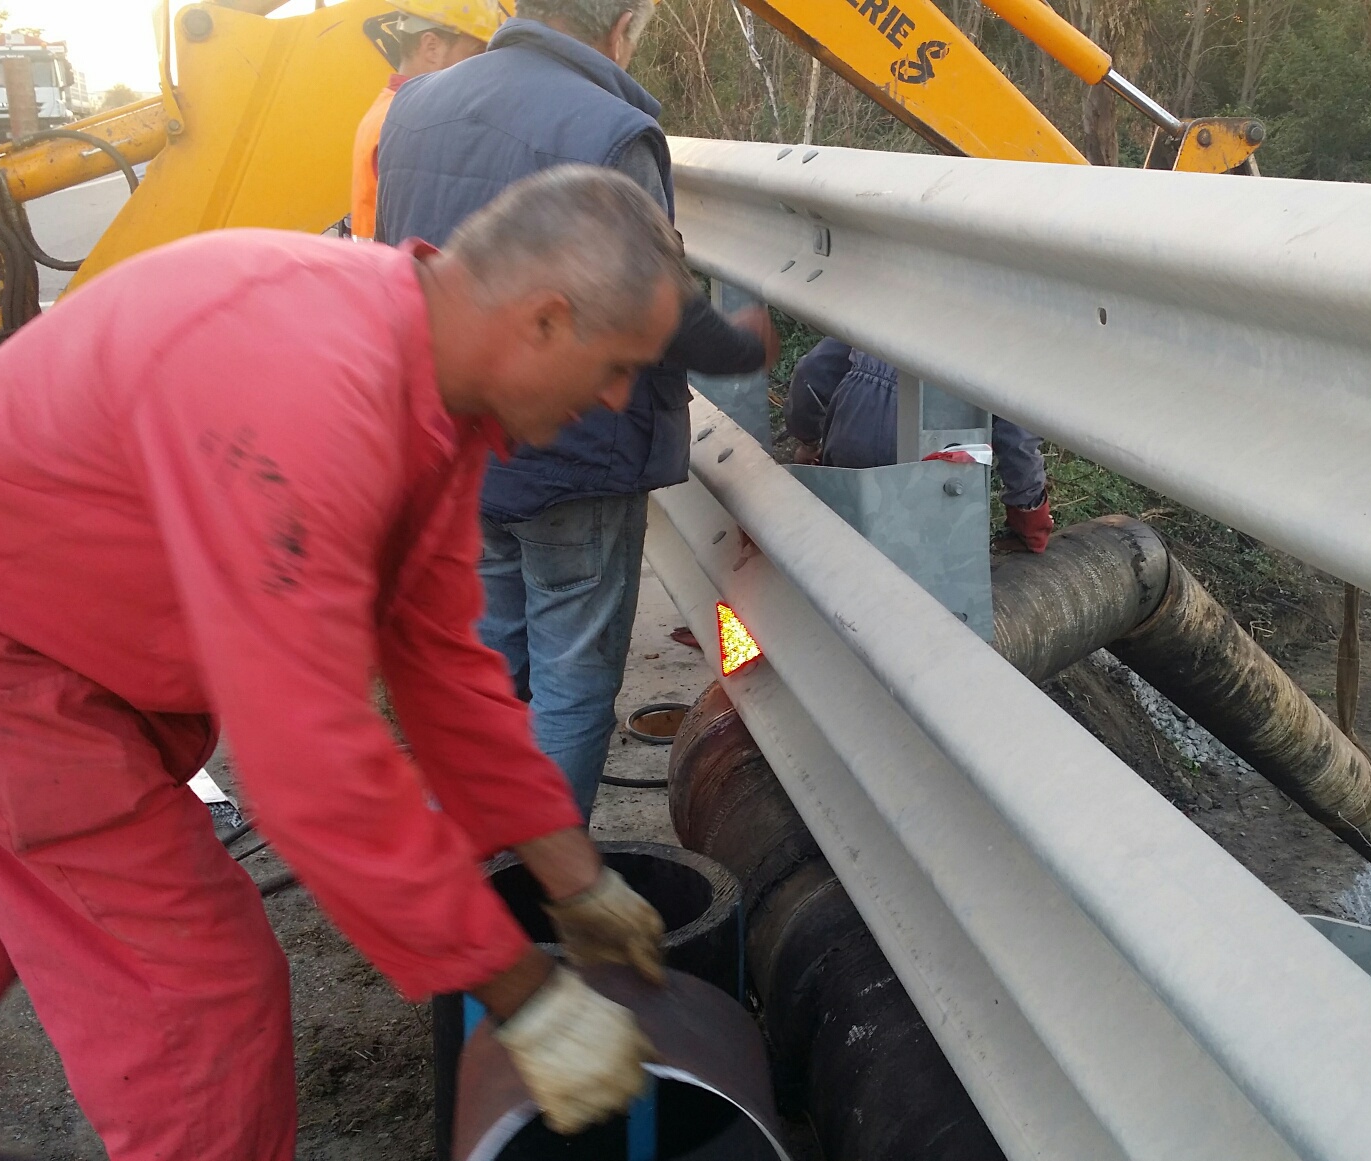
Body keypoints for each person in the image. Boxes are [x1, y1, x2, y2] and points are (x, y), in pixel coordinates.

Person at [0, 167, 688, 1160]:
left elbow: (441, 665)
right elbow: (312, 768)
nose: (620, 398)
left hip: (21, 597)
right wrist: (525, 996)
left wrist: (574, 876)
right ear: (546, 320)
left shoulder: (432, 396)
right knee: (196, 987)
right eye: (620, 364)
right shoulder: (316, 393)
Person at [375, 0, 778, 820]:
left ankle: (481, 856)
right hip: (572, 450)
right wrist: (744, 345)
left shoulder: (414, 104)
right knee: (573, 672)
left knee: (487, 663)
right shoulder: (611, 129)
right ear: (625, 24)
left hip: (451, 435)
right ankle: (546, 884)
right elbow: (651, 305)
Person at [789, 339, 1055, 551]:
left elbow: (813, 370)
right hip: (931, 446)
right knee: (925, 568)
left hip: (854, 418)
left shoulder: (903, 289)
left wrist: (808, 441)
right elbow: (1017, 434)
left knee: (841, 544)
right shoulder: (1009, 327)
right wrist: (1028, 511)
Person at [351, 0, 502, 241]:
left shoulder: (388, 111)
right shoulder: (415, 123)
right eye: (476, 53)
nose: (485, 68)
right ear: (431, 47)